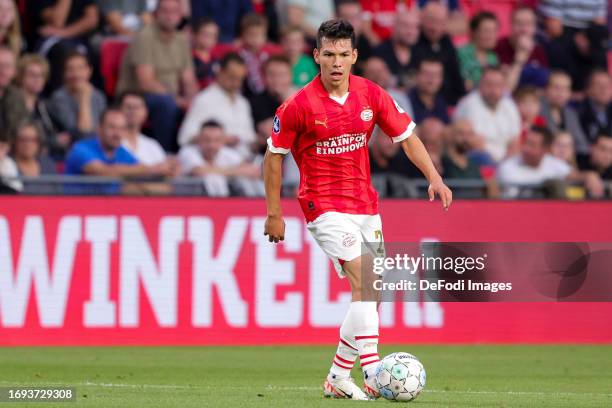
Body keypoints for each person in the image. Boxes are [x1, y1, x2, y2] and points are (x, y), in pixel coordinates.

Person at [263, 19, 451, 400]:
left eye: (343, 54)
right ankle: (374, 368)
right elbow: (273, 156)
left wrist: (434, 175)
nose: (336, 62)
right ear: (316, 56)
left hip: (365, 205)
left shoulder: (370, 94)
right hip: (323, 205)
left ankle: (337, 376)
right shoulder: (298, 105)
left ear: (354, 56)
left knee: (371, 292)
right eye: (328, 54)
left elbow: (407, 138)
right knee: (364, 276)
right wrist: (274, 212)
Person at [116, 0, 198, 151]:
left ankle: (194, 154)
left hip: (171, 96)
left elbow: (189, 79)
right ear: (155, 14)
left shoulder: (181, 39)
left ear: (181, 16)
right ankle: (164, 152)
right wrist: (177, 99)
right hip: (139, 94)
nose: (169, 16)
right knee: (165, 103)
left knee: (202, 102)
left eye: (174, 12)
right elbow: (145, 82)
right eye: (165, 11)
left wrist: (193, 99)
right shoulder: (144, 36)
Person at [64, 108, 173, 194]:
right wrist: (151, 169)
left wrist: (166, 169)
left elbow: (140, 170)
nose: (117, 134)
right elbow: (103, 172)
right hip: (76, 210)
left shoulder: (122, 152)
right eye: (111, 127)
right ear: (99, 129)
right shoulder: (81, 148)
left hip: (110, 212)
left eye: (122, 129)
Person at [178, 53, 255, 158]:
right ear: (220, 72)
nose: (236, 83)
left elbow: (251, 140)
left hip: (247, 162)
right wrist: (220, 140)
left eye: (240, 79)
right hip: (217, 164)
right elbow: (185, 138)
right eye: (232, 77)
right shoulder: (204, 99)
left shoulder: (243, 103)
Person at [178, 120, 261, 196]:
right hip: (189, 200)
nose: (211, 145)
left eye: (217, 140)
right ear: (199, 139)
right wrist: (236, 171)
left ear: (223, 140)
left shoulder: (227, 153)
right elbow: (198, 171)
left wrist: (239, 170)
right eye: (207, 140)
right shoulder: (188, 151)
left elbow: (252, 170)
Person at [454, 67, 521, 162]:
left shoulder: (510, 105)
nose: (493, 90)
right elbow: (474, 143)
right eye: (489, 85)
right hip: (479, 160)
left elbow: (515, 141)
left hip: (506, 160)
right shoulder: (469, 104)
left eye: (498, 85)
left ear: (504, 86)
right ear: (480, 84)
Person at [48, 52, 107, 146]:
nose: (76, 74)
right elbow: (83, 134)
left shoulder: (99, 96)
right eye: (70, 69)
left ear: (89, 71)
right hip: (72, 150)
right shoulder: (58, 99)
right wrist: (84, 99)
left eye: (80, 68)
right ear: (64, 73)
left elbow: (104, 130)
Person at [16, 54, 68, 158]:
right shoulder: (12, 104)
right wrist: (53, 141)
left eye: (41, 75)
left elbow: (65, 131)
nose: (37, 79)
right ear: (21, 77)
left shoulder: (44, 105)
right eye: (32, 75)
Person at [497, 126, 571, 198]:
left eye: (532, 145)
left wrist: (582, 177)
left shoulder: (553, 163)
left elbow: (573, 175)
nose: (525, 148)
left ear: (545, 150)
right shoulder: (508, 168)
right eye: (525, 143)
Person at [495, 7, 549, 90]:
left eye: (528, 24)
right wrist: (519, 59)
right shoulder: (498, 47)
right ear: (510, 25)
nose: (523, 29)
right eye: (518, 23)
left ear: (535, 28)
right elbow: (505, 90)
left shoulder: (541, 51)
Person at [539, 71, 589, 156]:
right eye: (556, 88)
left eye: (566, 89)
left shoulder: (571, 114)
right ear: (545, 89)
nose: (561, 93)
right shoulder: (537, 109)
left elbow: (582, 145)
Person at [236, 13, 282, 96]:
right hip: (246, 93)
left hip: (266, 94)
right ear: (243, 35)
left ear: (265, 37)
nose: (255, 39)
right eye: (251, 35)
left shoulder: (267, 56)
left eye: (258, 35)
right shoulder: (240, 55)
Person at [372, 9, 419, 89]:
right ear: (395, 26)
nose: (411, 31)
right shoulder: (380, 52)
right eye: (406, 26)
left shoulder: (420, 52)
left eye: (415, 27)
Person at [118, 91, 168, 166]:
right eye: (128, 107)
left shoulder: (153, 145)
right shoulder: (110, 142)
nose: (132, 111)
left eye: (137, 107)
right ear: (119, 110)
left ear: (145, 112)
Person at [457, 12, 499, 91]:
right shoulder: (461, 53)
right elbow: (465, 85)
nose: (491, 35)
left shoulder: (493, 57)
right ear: (474, 32)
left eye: (494, 30)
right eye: (486, 30)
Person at [0, 46, 28, 142]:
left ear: (14, 71)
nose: (2, 71)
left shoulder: (17, 96)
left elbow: (22, 127)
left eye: (7, 66)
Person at [409, 57, 449, 124]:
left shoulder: (441, 102)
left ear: (441, 78)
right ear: (417, 75)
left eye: (436, 75)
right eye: (426, 74)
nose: (431, 80)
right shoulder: (406, 100)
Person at [578, 69, 612, 144]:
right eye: (599, 85)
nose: (604, 89)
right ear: (588, 90)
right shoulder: (578, 113)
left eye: (608, 85)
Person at [191, 18, 219, 90]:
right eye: (205, 34)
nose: (210, 38)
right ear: (194, 35)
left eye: (213, 35)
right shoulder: (190, 58)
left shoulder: (216, 59)